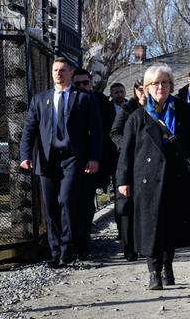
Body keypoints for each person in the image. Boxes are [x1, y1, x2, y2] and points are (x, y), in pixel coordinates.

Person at [117, 64, 190, 290]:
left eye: (164, 83)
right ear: (146, 88)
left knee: (170, 226)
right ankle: (154, 272)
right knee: (151, 227)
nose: (160, 87)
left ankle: (167, 267)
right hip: (147, 180)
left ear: (171, 85)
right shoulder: (138, 117)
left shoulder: (183, 111)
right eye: (154, 83)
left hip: (177, 178)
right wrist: (123, 180)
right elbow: (127, 152)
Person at [19, 57, 102, 268]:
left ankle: (67, 249)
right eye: (55, 70)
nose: (58, 73)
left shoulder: (83, 98)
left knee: (66, 200)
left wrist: (93, 158)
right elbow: (29, 129)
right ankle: (54, 251)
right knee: (51, 205)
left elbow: (96, 131)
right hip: (48, 159)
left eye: (63, 70)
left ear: (71, 72)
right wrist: (25, 155)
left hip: (73, 158)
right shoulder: (40, 99)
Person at [71, 68, 116, 260]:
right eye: (77, 84)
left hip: (94, 160)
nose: (81, 87)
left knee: (87, 201)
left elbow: (108, 132)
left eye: (85, 83)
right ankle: (70, 241)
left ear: (91, 83)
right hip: (70, 160)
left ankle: (82, 242)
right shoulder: (68, 100)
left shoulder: (101, 101)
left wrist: (99, 159)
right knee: (69, 201)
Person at [110, 79, 146, 261]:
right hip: (128, 160)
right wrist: (127, 145)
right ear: (134, 91)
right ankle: (128, 247)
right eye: (139, 89)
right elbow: (114, 132)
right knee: (126, 205)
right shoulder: (126, 109)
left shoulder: (156, 109)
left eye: (145, 88)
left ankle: (144, 243)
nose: (143, 92)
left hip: (148, 161)